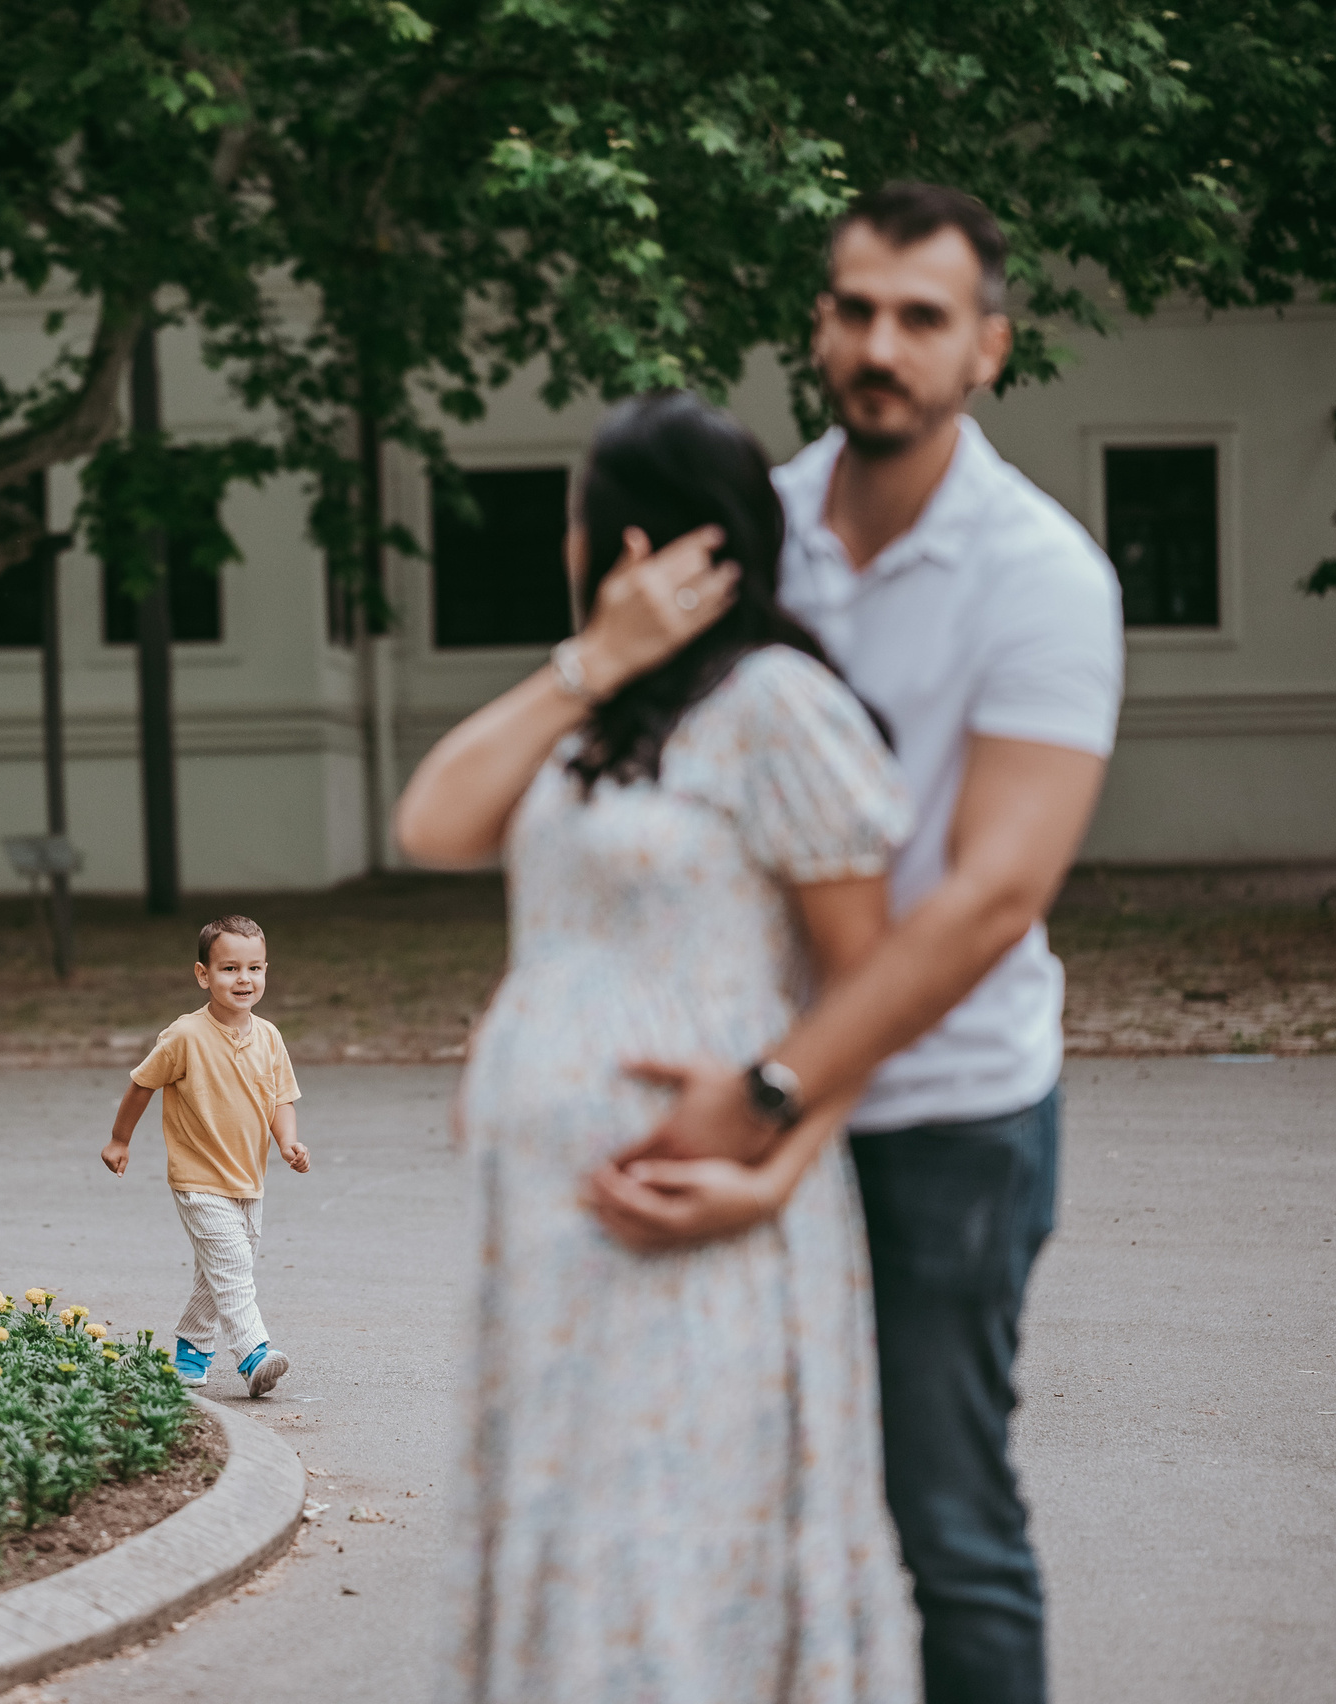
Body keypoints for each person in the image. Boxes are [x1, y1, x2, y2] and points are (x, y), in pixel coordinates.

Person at [595, 182, 1123, 1704]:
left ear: (989, 348)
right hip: (735, 1072)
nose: (880, 345)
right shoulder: (748, 536)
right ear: (820, 322)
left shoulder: (1044, 579)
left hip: (951, 1116)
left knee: (947, 1523)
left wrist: (772, 1092)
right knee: (733, 1504)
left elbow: (986, 902)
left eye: (922, 318)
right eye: (855, 310)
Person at [396, 390, 919, 1703]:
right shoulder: (590, 725)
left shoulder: (779, 707)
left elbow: (874, 981)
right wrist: (590, 661)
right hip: (550, 1236)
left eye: (576, 519)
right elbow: (433, 822)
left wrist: (776, 1158)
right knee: (577, 1531)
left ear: (626, 539)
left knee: (676, 1539)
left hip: (696, 1212)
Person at [102, 914, 310, 1399]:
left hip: (248, 1177)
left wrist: (287, 1143)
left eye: (254, 968)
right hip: (197, 1178)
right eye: (230, 969)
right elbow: (142, 1084)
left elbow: (281, 1097)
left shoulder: (270, 1037)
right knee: (233, 1263)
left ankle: (191, 1352)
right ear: (203, 975)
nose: (244, 980)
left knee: (217, 1270)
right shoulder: (185, 1036)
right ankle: (253, 1353)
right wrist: (119, 1139)